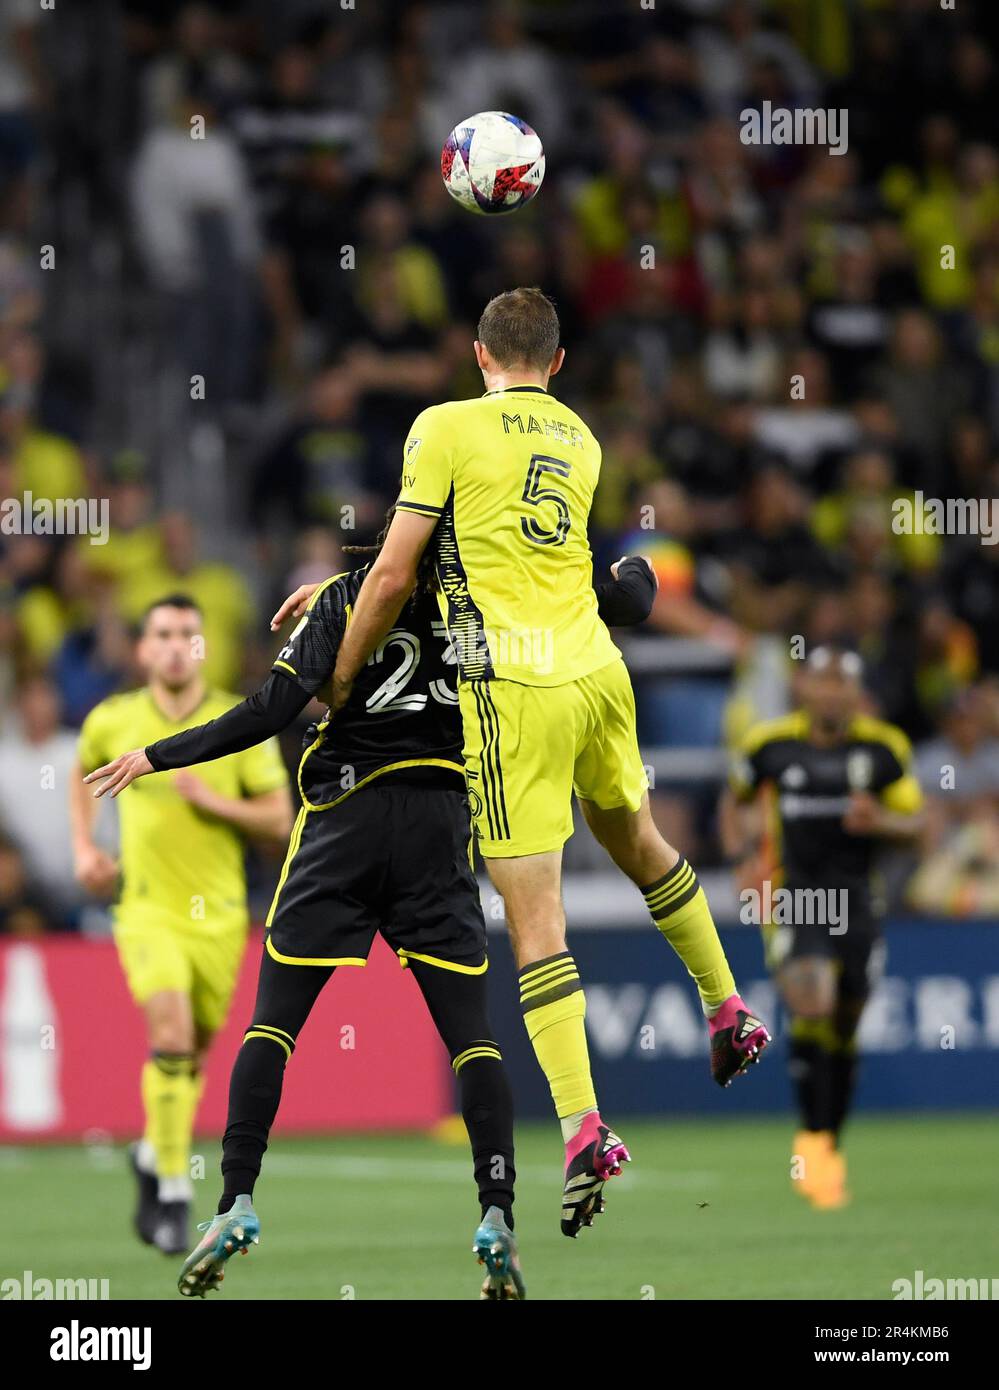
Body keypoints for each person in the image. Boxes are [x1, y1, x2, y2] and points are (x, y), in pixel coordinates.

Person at [270, 288, 770, 1237]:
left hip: (515, 692)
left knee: (535, 919)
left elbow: (399, 571)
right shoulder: (579, 441)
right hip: (596, 674)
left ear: (476, 355)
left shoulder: (445, 425)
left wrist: (337, 675)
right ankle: (728, 1002)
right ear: (559, 362)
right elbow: (527, 557)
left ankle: (583, 1125)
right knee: (643, 842)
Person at [83, 532, 657, 1293]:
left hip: (343, 822)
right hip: (440, 825)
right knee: (473, 1041)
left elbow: (270, 711)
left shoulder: (345, 597)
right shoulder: (495, 602)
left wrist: (157, 755)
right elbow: (633, 601)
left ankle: (235, 1202)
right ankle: (496, 1214)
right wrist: (624, 570)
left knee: (272, 1027)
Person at [71, 595, 292, 1254]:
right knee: (168, 1036)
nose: (173, 645)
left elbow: (279, 820)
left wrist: (214, 801)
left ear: (202, 647)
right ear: (142, 650)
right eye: (162, 634)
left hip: (220, 919)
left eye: (187, 635)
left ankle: (149, 1151)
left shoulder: (237, 721)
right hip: (145, 911)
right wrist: (85, 848)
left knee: (190, 1055)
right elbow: (81, 779)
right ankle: (172, 1189)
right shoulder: (114, 720)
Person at [722, 646, 924, 1208]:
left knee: (846, 1020)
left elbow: (918, 822)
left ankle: (829, 1140)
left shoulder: (884, 749)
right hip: (798, 897)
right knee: (811, 1004)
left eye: (843, 683)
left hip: (859, 899)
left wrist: (880, 819)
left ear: (856, 694)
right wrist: (744, 854)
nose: (831, 693)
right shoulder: (769, 745)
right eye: (822, 681)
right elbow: (736, 798)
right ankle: (812, 1148)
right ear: (803, 688)